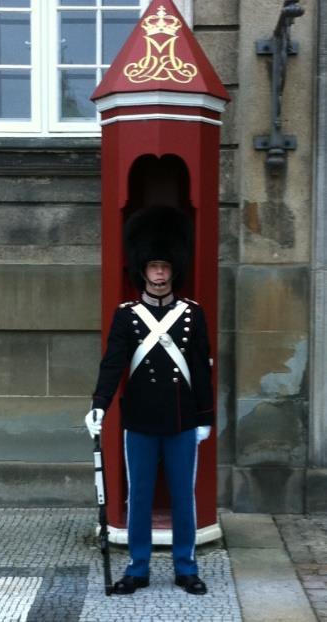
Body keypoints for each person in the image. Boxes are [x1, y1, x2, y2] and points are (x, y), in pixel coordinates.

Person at [85, 206, 214, 595]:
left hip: (181, 422)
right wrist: (99, 405)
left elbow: (202, 368)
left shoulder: (192, 314)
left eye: (165, 266)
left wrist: (205, 417)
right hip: (140, 421)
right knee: (138, 496)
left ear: (174, 269)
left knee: (183, 497)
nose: (159, 273)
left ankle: (185, 567)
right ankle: (138, 568)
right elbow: (113, 364)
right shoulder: (126, 316)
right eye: (153, 266)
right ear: (142, 269)